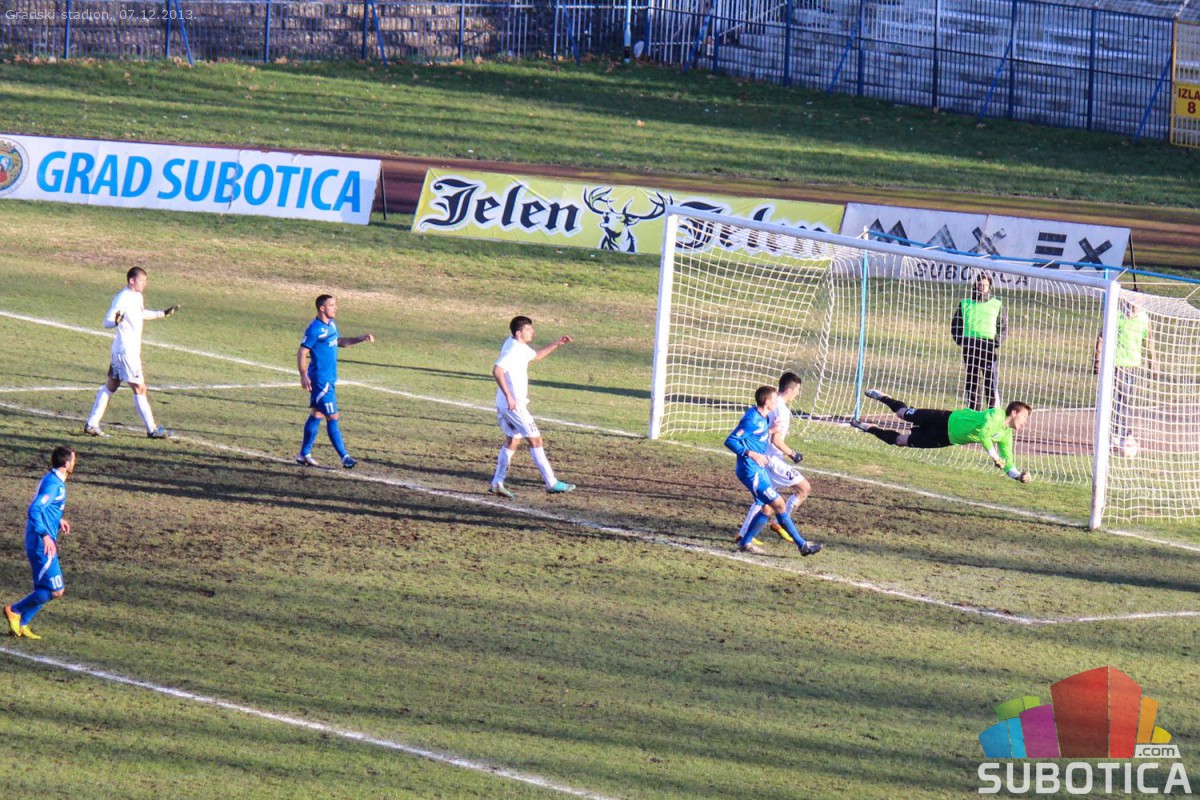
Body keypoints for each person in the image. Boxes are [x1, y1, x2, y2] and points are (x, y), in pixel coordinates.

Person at [852, 389, 1033, 483]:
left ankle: (869, 428)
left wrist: (1018, 476)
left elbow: (1008, 461)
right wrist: (994, 457)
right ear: (1014, 412)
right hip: (945, 418)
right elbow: (984, 435)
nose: (1025, 422)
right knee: (903, 413)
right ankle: (883, 397)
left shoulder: (1006, 435)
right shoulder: (996, 414)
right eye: (1024, 417)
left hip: (944, 438)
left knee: (901, 441)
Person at [725, 385, 822, 557]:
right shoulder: (752, 419)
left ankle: (745, 542)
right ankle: (802, 545)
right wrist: (751, 453)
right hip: (750, 471)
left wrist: (770, 430)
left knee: (767, 508)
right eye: (774, 399)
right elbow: (730, 440)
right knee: (779, 505)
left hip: (759, 469)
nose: (777, 401)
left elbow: (756, 434)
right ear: (767, 402)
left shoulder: (763, 418)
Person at [84, 267, 181, 438]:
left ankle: (91, 424)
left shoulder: (137, 297)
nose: (145, 284)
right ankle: (152, 429)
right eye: (142, 280)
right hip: (126, 352)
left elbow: (140, 314)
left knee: (111, 386)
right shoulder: (123, 297)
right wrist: (116, 321)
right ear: (132, 281)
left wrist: (162, 314)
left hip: (122, 351)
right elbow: (107, 322)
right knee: (139, 388)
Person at [489, 315, 576, 497]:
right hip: (514, 406)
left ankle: (497, 482)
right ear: (519, 333)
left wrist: (557, 343)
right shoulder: (513, 350)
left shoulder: (517, 345)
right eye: (529, 329)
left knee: (513, 441)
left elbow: (535, 356)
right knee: (536, 440)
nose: (533, 332)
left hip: (506, 405)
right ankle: (551, 483)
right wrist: (509, 396)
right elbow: (497, 370)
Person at [5, 446, 77, 640]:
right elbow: (35, 509)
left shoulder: (51, 479)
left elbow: (46, 507)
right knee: (56, 590)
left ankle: (21, 624)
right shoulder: (54, 485)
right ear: (66, 464)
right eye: (73, 460)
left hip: (38, 540)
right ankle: (15, 610)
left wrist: (58, 519)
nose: (74, 463)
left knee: (43, 588)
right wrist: (45, 534)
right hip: (41, 544)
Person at [295, 294, 375, 469]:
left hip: (328, 379)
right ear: (322, 308)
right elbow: (302, 352)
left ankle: (304, 454)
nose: (335, 307)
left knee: (317, 414)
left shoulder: (331, 324)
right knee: (333, 416)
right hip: (320, 381)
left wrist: (359, 338)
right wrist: (303, 374)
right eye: (332, 305)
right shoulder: (314, 329)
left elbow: (339, 342)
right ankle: (345, 457)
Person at [1094, 293, 1155, 453]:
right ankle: (1122, 434)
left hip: (1133, 366)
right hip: (1116, 364)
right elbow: (1101, 337)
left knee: (1125, 399)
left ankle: (1119, 433)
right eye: (1133, 302)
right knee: (1119, 397)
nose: (1135, 305)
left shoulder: (1144, 319)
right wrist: (1098, 359)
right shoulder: (1117, 316)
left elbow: (1149, 339)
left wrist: (1153, 362)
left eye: (1139, 302)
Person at [951, 272, 1008, 411]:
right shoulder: (965, 304)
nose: (982, 287)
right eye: (980, 285)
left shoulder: (997, 304)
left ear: (990, 287)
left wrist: (996, 342)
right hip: (970, 347)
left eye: (985, 285)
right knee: (972, 381)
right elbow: (955, 325)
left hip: (988, 347)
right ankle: (973, 412)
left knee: (991, 381)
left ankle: (992, 412)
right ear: (975, 286)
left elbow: (1003, 327)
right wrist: (961, 341)